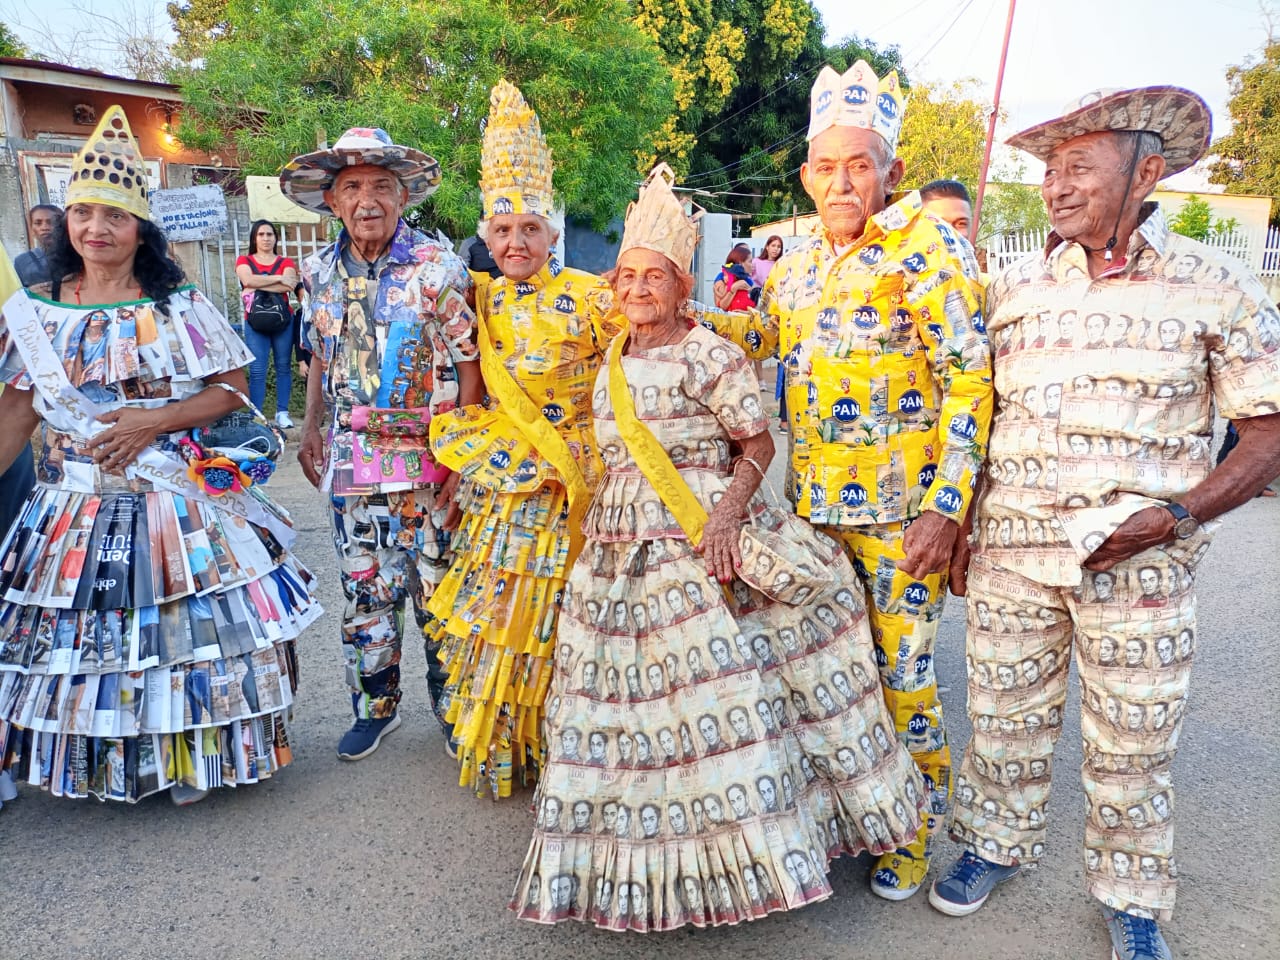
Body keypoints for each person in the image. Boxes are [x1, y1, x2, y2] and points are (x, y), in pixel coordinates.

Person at [511, 164, 926, 932]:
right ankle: (640, 868)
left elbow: (757, 441)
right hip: (616, 548)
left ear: (680, 283)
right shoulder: (610, 364)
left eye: (654, 276)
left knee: (723, 693)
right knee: (625, 707)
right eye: (626, 276)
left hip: (704, 533)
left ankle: (754, 853)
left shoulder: (711, 354)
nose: (637, 288)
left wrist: (729, 516)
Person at [930, 86, 1280, 960]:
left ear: (1146, 172)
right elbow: (976, 409)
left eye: (1079, 166)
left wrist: (1174, 515)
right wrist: (963, 522)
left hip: (1142, 566)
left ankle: (1131, 898)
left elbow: (1267, 433)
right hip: (1013, 552)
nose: (1055, 186)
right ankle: (989, 847)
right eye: (1050, 170)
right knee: (1003, 717)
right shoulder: (1011, 287)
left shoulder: (1215, 285)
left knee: (1133, 739)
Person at [704, 60, 992, 901]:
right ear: (805, 175)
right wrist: (663, 306)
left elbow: (971, 379)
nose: (841, 181)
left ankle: (912, 833)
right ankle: (852, 813)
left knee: (903, 679)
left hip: (904, 520)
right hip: (811, 517)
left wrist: (947, 509)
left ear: (890, 170)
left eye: (858, 163)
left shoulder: (927, 247)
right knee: (833, 675)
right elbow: (751, 341)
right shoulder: (792, 261)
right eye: (825, 166)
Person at [0, 106, 318, 806]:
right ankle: (111, 763)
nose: (95, 230)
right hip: (71, 509)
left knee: (182, 632)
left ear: (140, 228)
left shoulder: (179, 303)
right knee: (93, 637)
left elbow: (233, 393)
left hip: (172, 497)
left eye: (113, 217)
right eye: (83, 214)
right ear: (62, 223)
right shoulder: (36, 312)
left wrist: (156, 420)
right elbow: (18, 414)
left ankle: (190, 759)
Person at [426, 81, 617, 798]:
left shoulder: (595, 298)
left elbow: (634, 371)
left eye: (529, 230)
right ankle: (517, 749)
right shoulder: (478, 298)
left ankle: (575, 750)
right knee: (505, 622)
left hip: (576, 485)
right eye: (502, 231)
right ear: (486, 231)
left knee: (570, 620)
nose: (515, 244)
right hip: (506, 486)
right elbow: (466, 386)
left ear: (552, 233)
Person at [283, 125, 481, 761]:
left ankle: (454, 712)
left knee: (440, 588)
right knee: (366, 589)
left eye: (379, 188)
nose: (366, 200)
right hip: (352, 462)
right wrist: (310, 426)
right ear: (333, 202)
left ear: (401, 198)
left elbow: (470, 363)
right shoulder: (316, 272)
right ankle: (375, 709)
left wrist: (462, 452)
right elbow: (318, 354)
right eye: (352, 189)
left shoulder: (437, 268)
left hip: (431, 461)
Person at [235, 220, 299, 429]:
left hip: (283, 322)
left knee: (283, 367)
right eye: (261, 234)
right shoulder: (244, 260)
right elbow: (248, 281)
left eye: (269, 234)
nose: (265, 238)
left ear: (275, 238)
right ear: (254, 238)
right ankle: (258, 415)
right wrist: (277, 280)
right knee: (257, 370)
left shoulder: (286, 261)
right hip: (254, 322)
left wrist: (259, 282)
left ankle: (282, 412)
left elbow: (289, 285)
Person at [13, 204, 60, 287]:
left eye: (51, 222)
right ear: (31, 229)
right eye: (38, 223)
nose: (44, 227)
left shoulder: (78, 256)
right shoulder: (22, 262)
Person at [712, 243, 758, 311]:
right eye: (750, 261)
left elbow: (756, 308)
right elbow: (720, 308)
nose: (752, 265)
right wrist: (734, 288)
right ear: (740, 263)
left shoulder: (748, 281)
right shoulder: (722, 279)